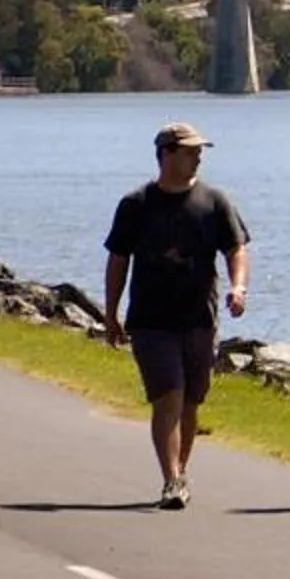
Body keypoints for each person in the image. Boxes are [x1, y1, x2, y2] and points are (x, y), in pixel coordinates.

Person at [102, 122, 252, 510]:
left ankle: (180, 471)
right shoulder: (136, 204)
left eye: (199, 151)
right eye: (190, 151)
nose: (198, 157)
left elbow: (236, 248)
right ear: (166, 154)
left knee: (190, 402)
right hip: (150, 320)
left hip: (199, 318)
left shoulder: (214, 201)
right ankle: (171, 479)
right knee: (169, 395)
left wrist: (238, 287)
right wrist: (111, 312)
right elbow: (118, 259)